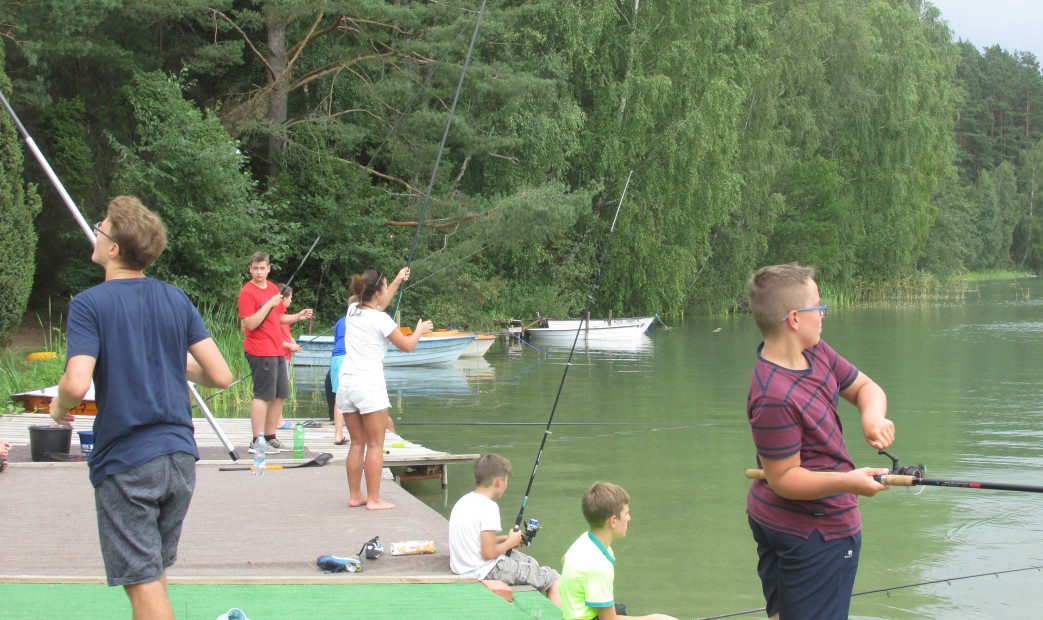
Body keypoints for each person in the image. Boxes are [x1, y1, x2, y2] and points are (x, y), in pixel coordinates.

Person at [49, 196, 233, 620]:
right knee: (152, 572)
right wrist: (172, 363)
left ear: (114, 249)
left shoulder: (90, 304)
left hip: (128, 461)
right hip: (179, 459)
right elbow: (220, 374)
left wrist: (59, 405)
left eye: (102, 226)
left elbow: (77, 383)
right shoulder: (174, 298)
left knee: (144, 583)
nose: (95, 230)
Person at [745, 263, 895, 620]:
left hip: (784, 521)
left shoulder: (816, 353)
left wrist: (872, 416)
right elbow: (784, 478)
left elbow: (865, 388)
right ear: (795, 318)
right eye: (819, 306)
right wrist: (850, 482)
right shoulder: (772, 395)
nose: (824, 313)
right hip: (814, 533)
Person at [336, 267, 432, 510]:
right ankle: (374, 499)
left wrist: (397, 280)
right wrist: (419, 330)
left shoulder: (352, 310)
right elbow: (407, 346)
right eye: (384, 287)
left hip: (346, 383)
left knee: (357, 443)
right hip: (368, 384)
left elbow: (379, 302)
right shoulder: (382, 320)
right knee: (376, 444)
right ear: (377, 292)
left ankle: (356, 495)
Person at [448, 454, 561, 606]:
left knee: (530, 563)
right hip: (485, 570)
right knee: (554, 579)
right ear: (499, 482)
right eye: (506, 480)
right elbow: (488, 554)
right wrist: (510, 543)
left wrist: (505, 539)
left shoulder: (464, 501)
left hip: (463, 566)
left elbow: (474, 540)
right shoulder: (489, 507)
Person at [559, 482, 676, 620]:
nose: (629, 518)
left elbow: (564, 560)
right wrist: (654, 618)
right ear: (613, 521)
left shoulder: (585, 539)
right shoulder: (598, 566)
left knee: (618, 608)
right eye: (626, 513)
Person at [237, 252, 312, 453]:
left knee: (280, 394)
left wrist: (297, 316)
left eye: (262, 268)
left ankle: (270, 437)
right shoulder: (247, 292)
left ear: (269, 268)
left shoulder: (271, 288)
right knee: (263, 395)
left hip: (276, 348)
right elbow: (251, 323)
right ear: (250, 269)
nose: (259, 271)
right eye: (255, 268)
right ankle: (256, 440)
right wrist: (269, 304)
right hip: (259, 350)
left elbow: (277, 318)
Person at [275, 283, 304, 430]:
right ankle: (278, 422)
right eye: (290, 297)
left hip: (286, 356)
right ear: (284, 298)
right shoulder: (276, 316)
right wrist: (289, 346)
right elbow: (274, 339)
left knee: (281, 389)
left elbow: (286, 335)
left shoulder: (283, 317)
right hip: (280, 356)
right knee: (280, 390)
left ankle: (279, 419)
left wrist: (293, 343)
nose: (291, 301)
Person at [325, 313, 347, 444]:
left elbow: (337, 340)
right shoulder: (362, 319)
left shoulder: (339, 321)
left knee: (339, 395)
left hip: (336, 357)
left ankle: (338, 434)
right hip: (349, 356)